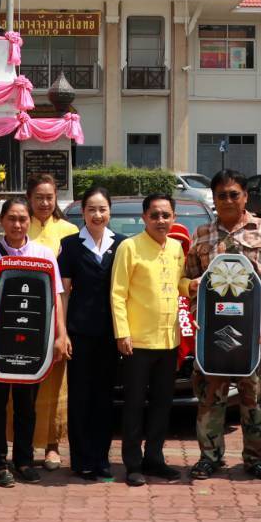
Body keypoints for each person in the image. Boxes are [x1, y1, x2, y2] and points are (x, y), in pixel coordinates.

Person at [182, 168, 261, 482]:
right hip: (213, 334)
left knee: (254, 398)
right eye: (222, 195)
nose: (228, 200)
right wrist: (197, 316)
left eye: (234, 194)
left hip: (255, 334)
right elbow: (191, 281)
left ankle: (257, 459)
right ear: (214, 199)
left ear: (245, 196)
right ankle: (209, 458)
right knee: (209, 397)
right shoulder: (202, 235)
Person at [0, 197, 70, 488]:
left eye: (22, 219)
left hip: (33, 345)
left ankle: (24, 459)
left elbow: (56, 300)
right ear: (2, 221)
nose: (17, 224)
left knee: (27, 405)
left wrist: (61, 335)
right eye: (12, 219)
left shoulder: (44, 254)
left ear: (30, 221)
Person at [111, 193, 185, 487]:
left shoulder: (178, 248)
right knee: (133, 405)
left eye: (166, 215)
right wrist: (122, 332)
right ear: (144, 218)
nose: (160, 220)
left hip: (169, 341)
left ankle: (154, 458)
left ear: (173, 218)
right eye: (154, 215)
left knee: (161, 404)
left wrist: (197, 285)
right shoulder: (130, 247)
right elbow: (117, 292)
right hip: (137, 342)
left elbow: (179, 284)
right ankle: (132, 463)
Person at [57, 186, 125, 482]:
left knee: (104, 398)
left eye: (103, 209)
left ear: (110, 212)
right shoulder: (70, 245)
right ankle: (81, 460)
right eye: (92, 210)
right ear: (83, 212)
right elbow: (64, 294)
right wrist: (63, 333)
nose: (98, 215)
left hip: (110, 335)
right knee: (80, 397)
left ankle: (101, 459)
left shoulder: (122, 245)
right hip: (79, 333)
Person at [23, 173, 76, 471]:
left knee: (56, 385)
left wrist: (63, 328)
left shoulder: (69, 231)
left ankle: (52, 446)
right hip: (23, 317)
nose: (44, 203)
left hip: (57, 317)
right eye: (39, 197)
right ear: (29, 198)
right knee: (26, 380)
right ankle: (25, 442)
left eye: (49, 197)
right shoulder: (19, 225)